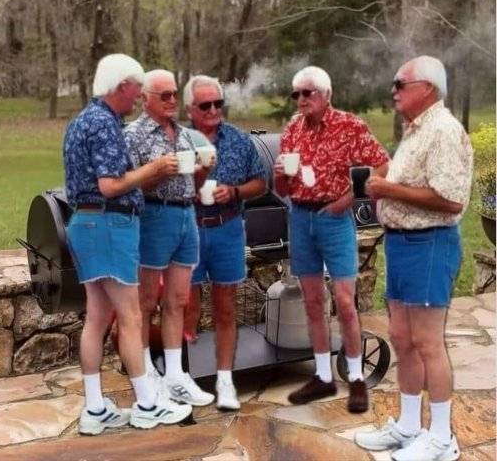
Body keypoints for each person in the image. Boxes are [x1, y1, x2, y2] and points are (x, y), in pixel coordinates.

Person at [63, 54, 191, 435]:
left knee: (96, 318)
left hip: (85, 223)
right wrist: (153, 169)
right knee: (131, 316)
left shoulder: (82, 120)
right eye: (137, 89)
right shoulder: (104, 124)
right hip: (108, 224)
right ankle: (147, 404)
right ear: (122, 86)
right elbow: (110, 185)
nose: (139, 97)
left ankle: (95, 408)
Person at [354, 56, 472, 461]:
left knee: (427, 342)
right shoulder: (416, 130)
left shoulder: (443, 131)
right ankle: (408, 426)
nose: (394, 91)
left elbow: (450, 200)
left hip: (430, 244)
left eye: (400, 84)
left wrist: (388, 189)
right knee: (403, 339)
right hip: (402, 245)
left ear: (427, 88)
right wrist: (385, 184)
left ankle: (441, 438)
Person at [274, 66, 389, 413]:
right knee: (312, 301)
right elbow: (283, 188)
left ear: (327, 95)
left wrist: (349, 199)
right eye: (296, 93)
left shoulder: (348, 126)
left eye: (307, 92)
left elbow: (382, 164)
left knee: (344, 301)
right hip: (300, 218)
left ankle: (356, 377)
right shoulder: (292, 130)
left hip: (335, 220)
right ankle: (323, 375)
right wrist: (280, 177)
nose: (300, 99)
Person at [124, 69, 215, 407]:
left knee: (178, 300)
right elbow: (125, 187)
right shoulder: (132, 136)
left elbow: (196, 181)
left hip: (186, 216)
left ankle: (176, 376)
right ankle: (146, 373)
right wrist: (156, 173)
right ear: (144, 99)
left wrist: (205, 168)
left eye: (175, 94)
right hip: (153, 216)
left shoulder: (186, 135)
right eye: (164, 95)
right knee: (146, 301)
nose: (172, 100)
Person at [182, 75, 267, 411]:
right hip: (188, 230)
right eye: (205, 105)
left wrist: (234, 192)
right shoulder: (178, 140)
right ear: (190, 109)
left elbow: (260, 183)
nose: (214, 110)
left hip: (227, 228)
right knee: (185, 308)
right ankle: (181, 377)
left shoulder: (238, 139)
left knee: (226, 307)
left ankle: (225, 380)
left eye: (218, 103)